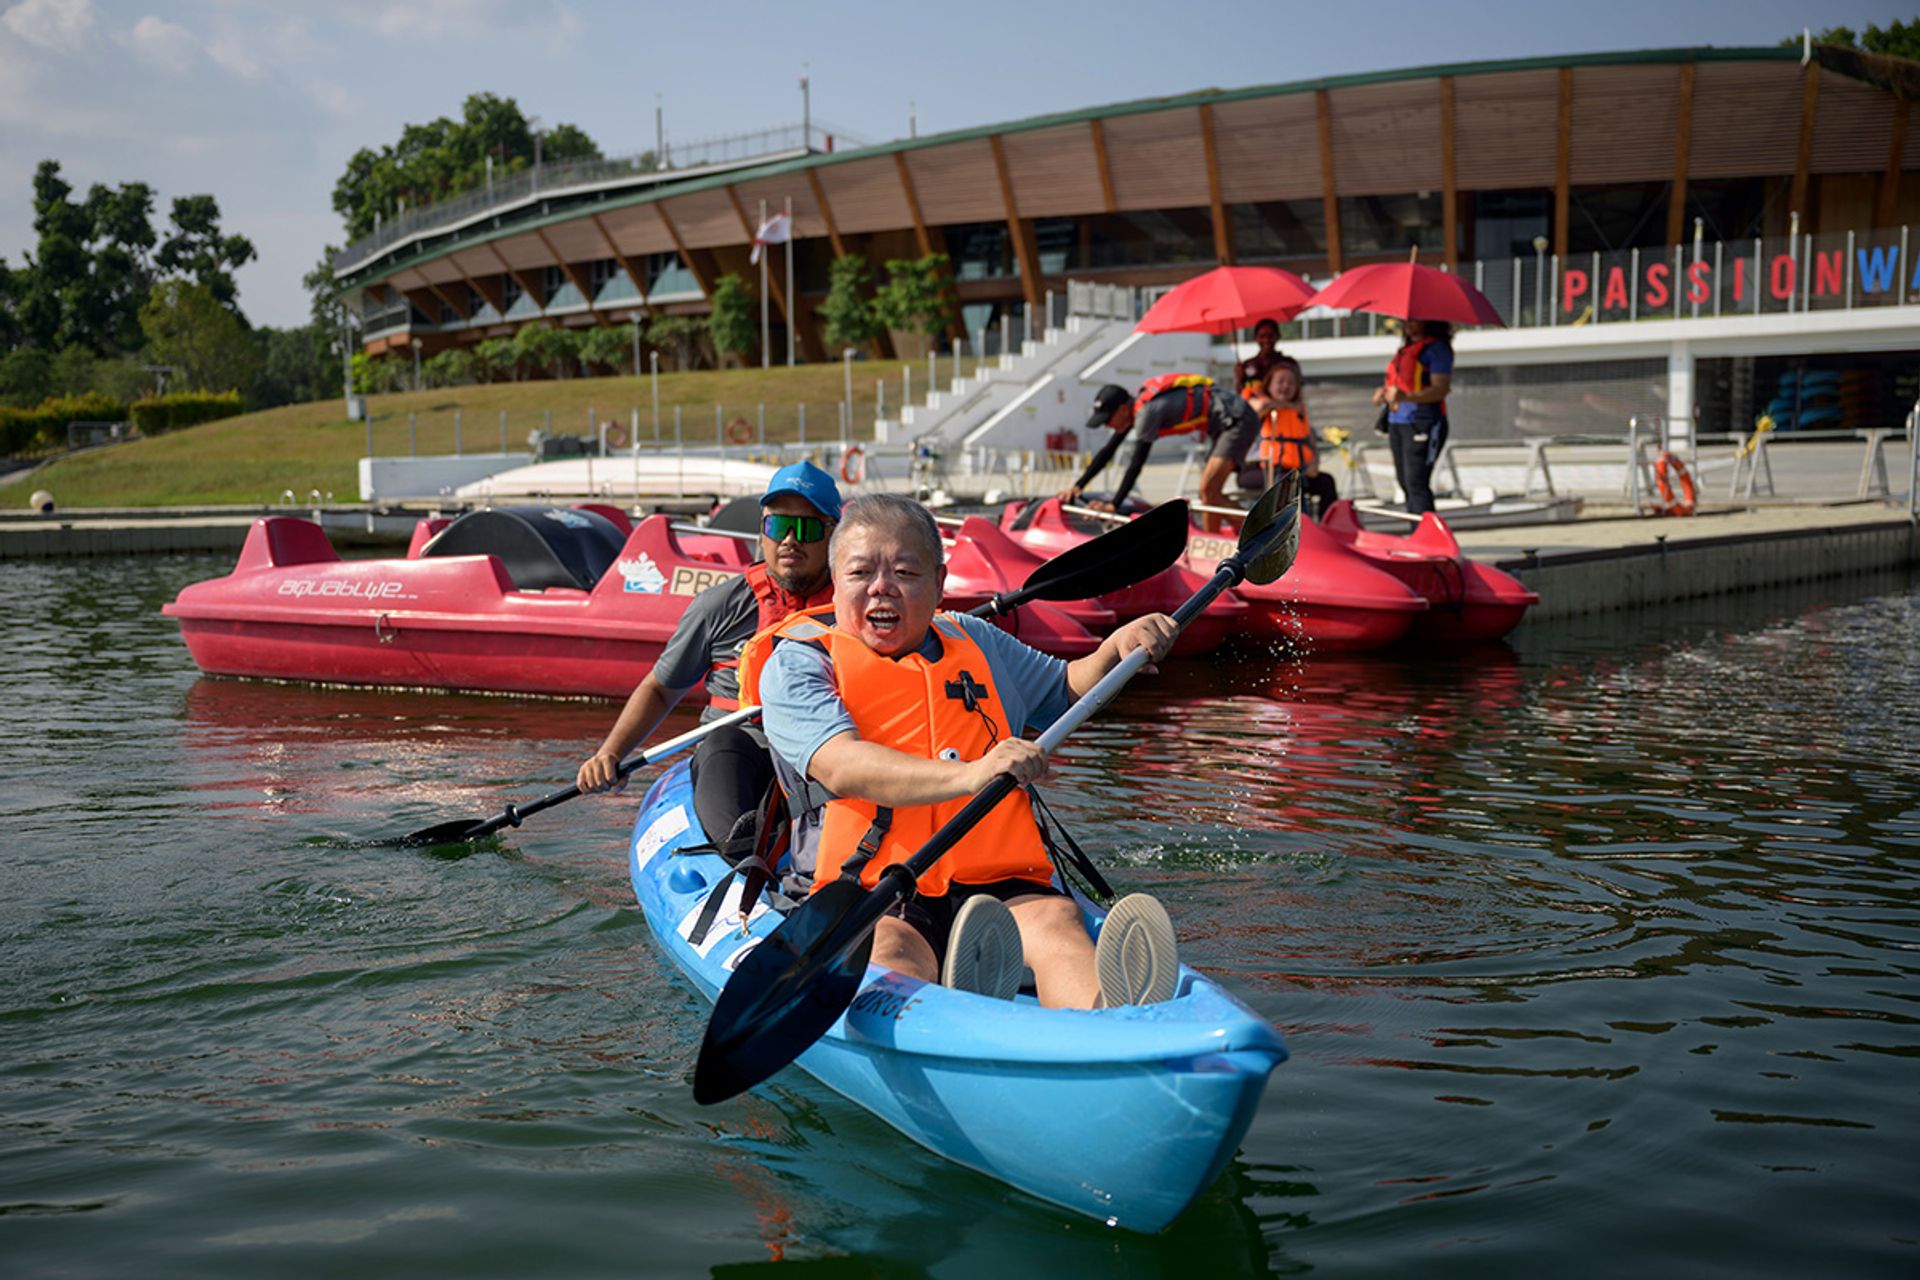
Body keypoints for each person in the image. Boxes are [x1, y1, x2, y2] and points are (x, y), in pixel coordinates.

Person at [740, 493, 1182, 1009]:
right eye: (861, 572)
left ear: (939, 584)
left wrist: (1113, 652)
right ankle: (946, 1023)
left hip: (999, 883)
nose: (882, 587)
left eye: (905, 572)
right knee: (894, 951)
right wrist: (974, 774)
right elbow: (842, 766)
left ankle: (1114, 1024)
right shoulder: (800, 664)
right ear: (836, 582)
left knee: (1057, 924)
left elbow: (1063, 688)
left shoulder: (975, 640)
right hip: (873, 890)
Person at [577, 461, 841, 855]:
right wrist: (610, 753)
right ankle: (745, 853)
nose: (789, 540)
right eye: (778, 526)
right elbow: (662, 689)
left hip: (825, 750)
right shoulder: (718, 607)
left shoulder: (855, 607)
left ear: (834, 536)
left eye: (805, 528)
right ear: (763, 531)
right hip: (741, 748)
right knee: (721, 745)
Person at [1059, 374, 1261, 533]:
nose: (1107, 425)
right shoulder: (1135, 410)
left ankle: (1250, 531)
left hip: (1237, 419)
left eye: (1107, 419)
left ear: (1122, 409)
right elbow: (1107, 452)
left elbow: (1137, 463)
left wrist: (1114, 504)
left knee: (1208, 490)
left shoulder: (1146, 414)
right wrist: (1077, 486)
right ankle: (1236, 531)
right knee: (1210, 493)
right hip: (1223, 425)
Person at [1370, 318, 1454, 515]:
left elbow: (1441, 389)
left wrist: (1405, 396)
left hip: (1423, 423)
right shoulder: (1406, 350)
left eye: (1414, 320)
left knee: (1416, 481)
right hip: (1397, 422)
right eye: (1405, 320)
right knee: (1405, 481)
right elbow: (1398, 383)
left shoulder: (1437, 349)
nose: (1407, 324)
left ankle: (1425, 537)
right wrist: (1382, 394)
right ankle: (1416, 531)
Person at [1245, 357, 1337, 518]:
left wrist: (1314, 464)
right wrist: (1287, 405)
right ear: (1269, 385)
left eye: (1290, 383)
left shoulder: (1300, 412)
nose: (1285, 386)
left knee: (1326, 482)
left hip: (1299, 470)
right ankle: (1293, 528)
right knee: (1290, 484)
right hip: (1265, 470)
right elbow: (1260, 407)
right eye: (1280, 382)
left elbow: (1311, 444)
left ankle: (1325, 525)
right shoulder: (1262, 406)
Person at [1233, 318, 1286, 395]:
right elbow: (1240, 393)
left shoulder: (1287, 363)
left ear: (1278, 336)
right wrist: (1238, 378)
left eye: (1270, 336)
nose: (1266, 340)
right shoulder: (1247, 365)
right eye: (1262, 336)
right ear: (1255, 338)